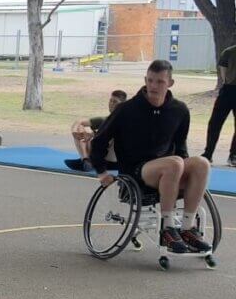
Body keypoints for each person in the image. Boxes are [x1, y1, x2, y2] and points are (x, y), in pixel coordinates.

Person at [90, 59, 212, 254]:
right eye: (150, 80)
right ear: (145, 80)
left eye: (160, 82)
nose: (154, 86)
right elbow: (99, 140)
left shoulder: (179, 110)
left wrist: (187, 175)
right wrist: (101, 172)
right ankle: (168, 228)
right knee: (174, 163)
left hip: (170, 169)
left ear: (170, 83)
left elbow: (181, 146)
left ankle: (188, 228)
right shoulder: (126, 109)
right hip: (136, 171)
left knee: (202, 163)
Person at [65, 89, 127, 172]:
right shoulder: (106, 119)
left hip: (116, 159)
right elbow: (79, 121)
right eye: (110, 101)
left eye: (115, 102)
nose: (111, 104)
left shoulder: (126, 119)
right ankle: (85, 160)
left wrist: (92, 134)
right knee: (80, 127)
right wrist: (74, 132)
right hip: (104, 156)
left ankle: (87, 161)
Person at [203, 43, 236, 167]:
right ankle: (210, 153)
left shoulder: (228, 51)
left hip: (228, 88)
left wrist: (227, 81)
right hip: (228, 90)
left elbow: (223, 71)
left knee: (215, 123)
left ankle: (210, 153)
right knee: (215, 122)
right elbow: (223, 70)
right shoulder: (228, 51)